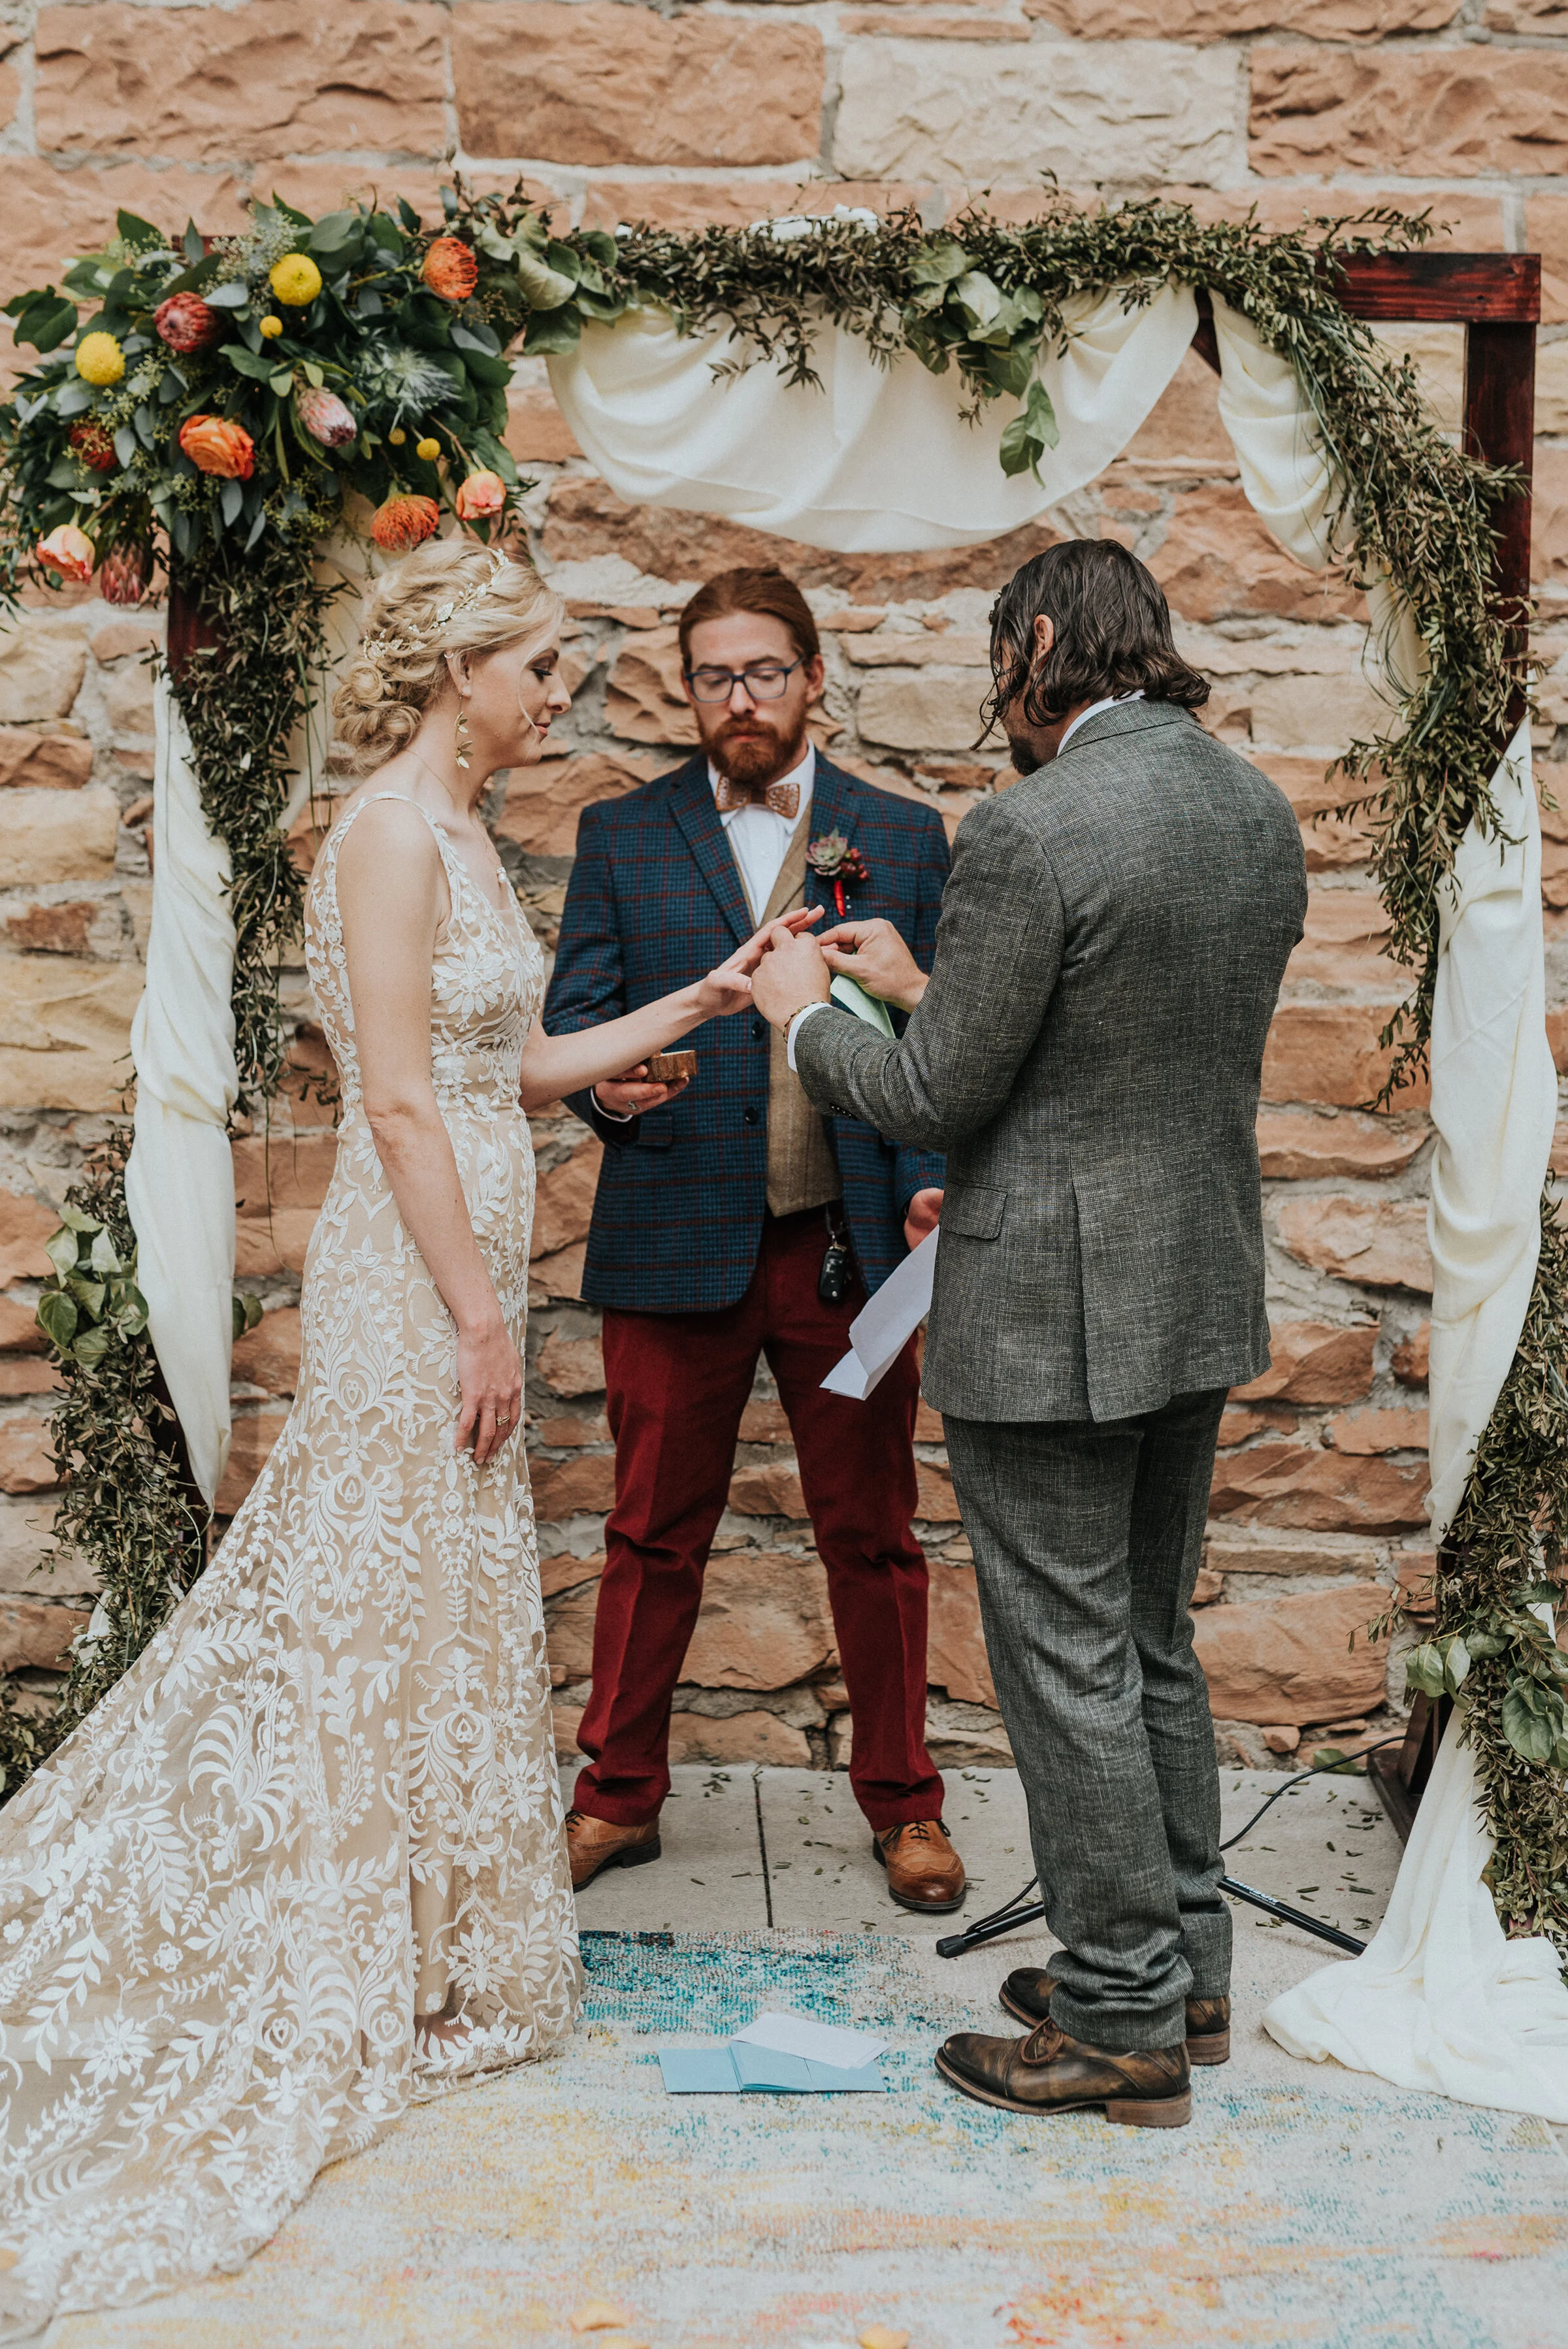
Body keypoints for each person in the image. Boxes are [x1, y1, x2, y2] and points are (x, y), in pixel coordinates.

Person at [0, 539, 798, 2333]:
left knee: (437, 1599)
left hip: (471, 1252)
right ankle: (349, 1941)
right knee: (367, 1602)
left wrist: (701, 998)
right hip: (413, 1273)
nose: (555, 697)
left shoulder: (465, 830)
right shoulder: (381, 831)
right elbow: (394, 1098)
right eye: (539, 668)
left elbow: (503, 1064)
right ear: (462, 669)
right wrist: (469, 1312)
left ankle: (428, 1930)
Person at [751, 538, 1308, 2128]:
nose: (998, 695)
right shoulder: (1248, 809)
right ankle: (1185, 1975)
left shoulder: (1031, 824)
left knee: (1066, 1661)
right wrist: (928, 981)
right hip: (1192, 1277)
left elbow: (939, 1103)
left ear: (1045, 640)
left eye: (1002, 656)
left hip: (1055, 1312)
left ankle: (1119, 2021)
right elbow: (1097, 1050)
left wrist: (804, 1011)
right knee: (1148, 1641)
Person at [544, 565, 968, 1914]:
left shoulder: (901, 835)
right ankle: (616, 1798)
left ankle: (906, 1806)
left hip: (849, 1249)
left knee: (877, 1536)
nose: (741, 697)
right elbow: (577, 1030)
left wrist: (927, 1187)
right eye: (715, 675)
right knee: (650, 1535)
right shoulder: (621, 836)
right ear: (687, 691)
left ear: (813, 677)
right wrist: (611, 1094)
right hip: (675, 1233)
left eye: (764, 672)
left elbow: (936, 1038)